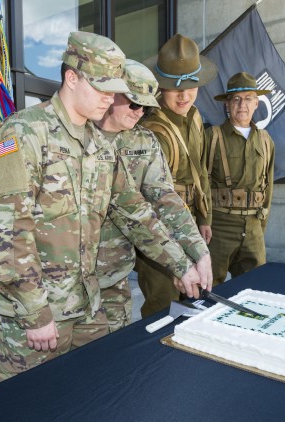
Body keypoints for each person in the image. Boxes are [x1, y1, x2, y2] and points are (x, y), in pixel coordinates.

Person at [0, 32, 204, 383]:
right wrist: (36, 312)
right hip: (31, 320)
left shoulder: (100, 146)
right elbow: (8, 234)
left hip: (87, 309)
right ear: (71, 78)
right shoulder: (21, 134)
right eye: (103, 88)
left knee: (93, 400)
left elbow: (134, 211)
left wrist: (183, 263)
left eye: (114, 89)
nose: (111, 98)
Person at [94, 59, 213, 332]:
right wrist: (180, 264)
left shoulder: (143, 140)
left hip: (115, 274)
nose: (139, 112)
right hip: (70, 278)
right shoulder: (82, 137)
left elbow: (165, 198)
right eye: (134, 103)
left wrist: (198, 250)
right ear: (111, 94)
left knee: (114, 356)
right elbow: (131, 210)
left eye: (146, 106)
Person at [137, 34, 217, 317]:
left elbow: (201, 172)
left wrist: (204, 216)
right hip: (161, 234)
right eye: (174, 88)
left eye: (191, 87)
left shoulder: (194, 118)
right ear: (160, 86)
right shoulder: (151, 131)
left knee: (192, 305)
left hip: (190, 222)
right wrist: (174, 258)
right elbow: (150, 202)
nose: (184, 96)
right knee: (163, 307)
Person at [204, 72, 275, 284]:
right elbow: (201, 184)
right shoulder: (212, 136)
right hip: (218, 225)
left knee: (254, 288)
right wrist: (203, 223)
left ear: (256, 103)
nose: (242, 104)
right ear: (227, 104)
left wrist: (260, 225)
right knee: (207, 289)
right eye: (236, 99)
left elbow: (268, 186)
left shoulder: (265, 140)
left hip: (253, 227)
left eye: (248, 98)